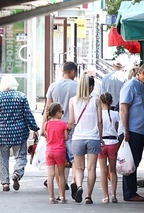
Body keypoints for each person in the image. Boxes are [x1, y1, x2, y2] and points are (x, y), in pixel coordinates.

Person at [0, 75, 39, 192]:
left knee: (3, 159)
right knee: (20, 157)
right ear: (14, 84)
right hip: (19, 133)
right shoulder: (21, 97)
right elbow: (28, 115)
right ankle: (17, 173)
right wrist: (34, 128)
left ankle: (5, 183)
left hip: (3, 133)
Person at [119, 63, 144, 202]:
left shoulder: (142, 87)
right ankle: (129, 193)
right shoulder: (130, 86)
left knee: (136, 160)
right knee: (131, 162)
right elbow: (124, 108)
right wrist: (125, 130)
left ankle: (132, 191)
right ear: (142, 73)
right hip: (132, 130)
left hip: (140, 131)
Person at [68, 75, 103, 204]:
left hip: (78, 137)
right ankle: (88, 196)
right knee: (92, 168)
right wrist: (100, 138)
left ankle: (79, 186)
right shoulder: (97, 100)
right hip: (93, 137)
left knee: (79, 167)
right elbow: (100, 121)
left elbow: (71, 121)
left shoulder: (73, 101)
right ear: (92, 87)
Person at [45, 61, 78, 190]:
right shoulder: (78, 86)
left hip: (54, 126)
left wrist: (44, 126)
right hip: (72, 125)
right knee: (74, 157)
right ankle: (75, 180)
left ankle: (61, 184)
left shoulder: (53, 86)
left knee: (59, 155)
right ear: (73, 72)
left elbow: (47, 108)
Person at [43, 102, 69, 204]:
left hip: (49, 150)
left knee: (50, 175)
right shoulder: (63, 123)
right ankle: (62, 196)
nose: (62, 113)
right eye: (61, 111)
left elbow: (47, 136)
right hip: (60, 150)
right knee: (61, 174)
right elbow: (66, 137)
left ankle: (51, 197)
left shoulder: (47, 124)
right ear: (57, 113)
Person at [98, 92, 120, 203]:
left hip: (102, 143)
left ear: (100, 102)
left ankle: (106, 196)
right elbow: (117, 129)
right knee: (113, 170)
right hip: (113, 143)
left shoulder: (98, 114)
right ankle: (114, 195)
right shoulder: (115, 114)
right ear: (111, 102)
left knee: (103, 171)